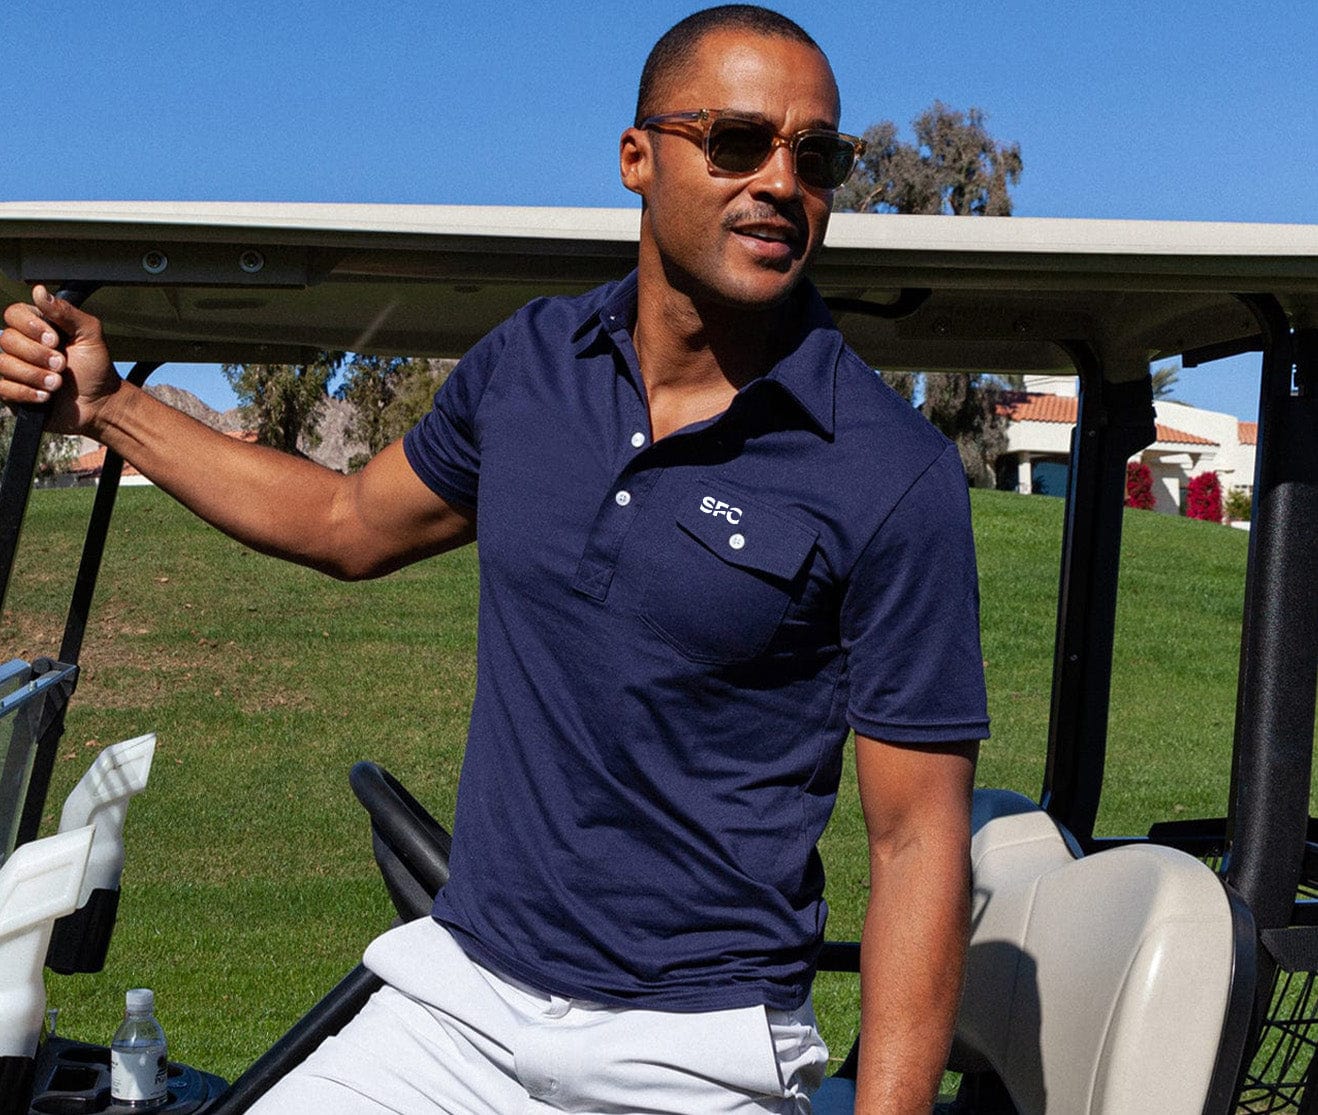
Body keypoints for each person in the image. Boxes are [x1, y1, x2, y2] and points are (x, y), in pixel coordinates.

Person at [1, 6, 987, 1112]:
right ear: (637, 157)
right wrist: (109, 407)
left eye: (817, 157)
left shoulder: (887, 471)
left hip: (696, 1050)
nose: (780, 182)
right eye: (737, 142)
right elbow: (343, 521)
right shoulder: (530, 366)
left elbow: (916, 842)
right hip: (460, 1003)